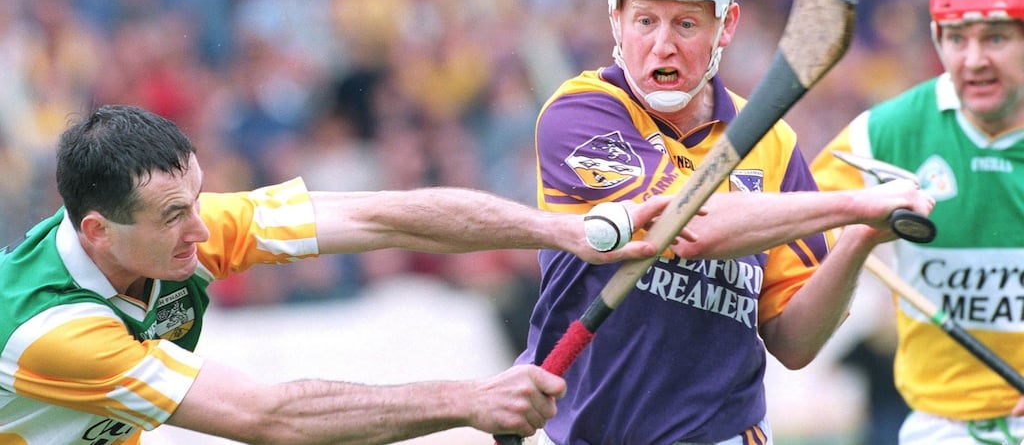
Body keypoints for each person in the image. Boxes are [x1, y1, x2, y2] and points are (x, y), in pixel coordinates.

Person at [0, 103, 688, 445]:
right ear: (98, 231)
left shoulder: (172, 228)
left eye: (199, 198)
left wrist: (564, 230)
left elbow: (383, 219)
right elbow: (266, 415)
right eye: (175, 215)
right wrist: (470, 398)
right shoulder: (50, 331)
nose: (203, 230)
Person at [515, 0, 935, 445]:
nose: (662, 46)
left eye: (686, 25)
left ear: (726, 24)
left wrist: (861, 236)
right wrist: (853, 204)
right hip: (580, 433)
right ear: (615, 17)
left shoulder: (774, 145)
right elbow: (684, 227)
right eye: (645, 21)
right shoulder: (579, 113)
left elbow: (796, 342)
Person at [812, 0, 1024, 445]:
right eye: (955, 38)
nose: (973, 61)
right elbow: (795, 223)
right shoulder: (886, 133)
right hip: (936, 429)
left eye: (995, 37)